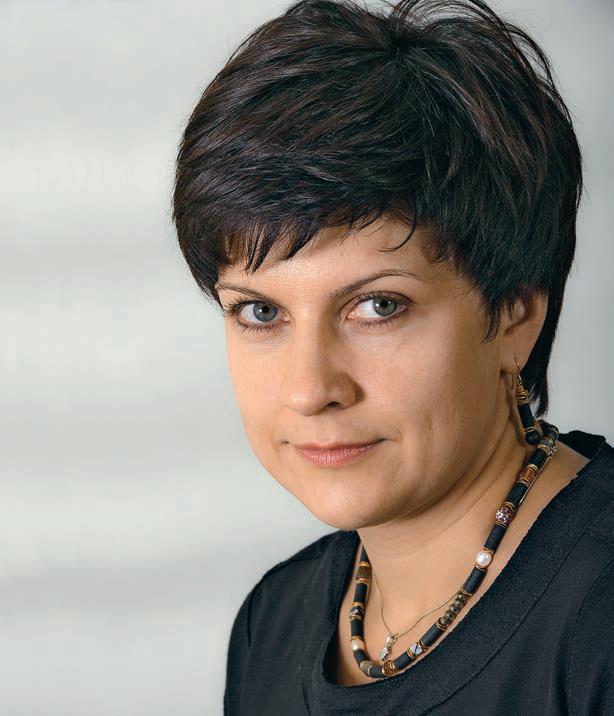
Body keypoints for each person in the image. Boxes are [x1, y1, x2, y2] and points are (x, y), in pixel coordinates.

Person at [171, 0, 613, 713]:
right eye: (261, 312)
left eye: (378, 306)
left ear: (515, 314)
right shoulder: (273, 624)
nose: (310, 389)